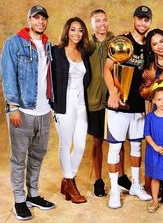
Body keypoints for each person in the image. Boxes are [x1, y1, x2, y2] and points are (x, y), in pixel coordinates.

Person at [1, 5, 55, 221]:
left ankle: (33, 195)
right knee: (19, 158)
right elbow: (8, 75)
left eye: (44, 18)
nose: (40, 22)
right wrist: (13, 106)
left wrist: (52, 106)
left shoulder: (48, 45)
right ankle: (19, 200)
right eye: (37, 18)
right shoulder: (14, 43)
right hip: (22, 110)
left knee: (37, 156)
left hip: (44, 111)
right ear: (29, 19)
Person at [103, 5, 153, 209]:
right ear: (133, 19)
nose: (143, 23)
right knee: (115, 147)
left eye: (146, 20)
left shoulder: (150, 45)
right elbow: (107, 69)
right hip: (118, 105)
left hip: (139, 106)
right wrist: (113, 93)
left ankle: (135, 185)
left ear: (149, 22)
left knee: (136, 146)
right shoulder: (122, 41)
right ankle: (114, 190)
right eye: (140, 19)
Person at [87, 9, 131, 197]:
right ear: (92, 24)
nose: (102, 24)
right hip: (94, 100)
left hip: (115, 99)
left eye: (105, 20)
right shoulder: (86, 45)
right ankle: (98, 179)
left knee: (118, 141)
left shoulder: (118, 42)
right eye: (97, 21)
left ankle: (121, 176)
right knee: (97, 141)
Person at [50, 17, 91, 204]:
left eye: (80, 30)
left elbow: (87, 79)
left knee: (81, 145)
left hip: (81, 104)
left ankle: (67, 180)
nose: (76, 33)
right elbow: (47, 77)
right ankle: (71, 184)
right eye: (73, 29)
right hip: (62, 104)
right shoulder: (56, 52)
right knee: (65, 144)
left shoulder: (84, 52)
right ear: (67, 31)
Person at [140, 28, 163, 202]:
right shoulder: (150, 69)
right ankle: (160, 187)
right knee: (159, 149)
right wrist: (157, 84)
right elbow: (144, 92)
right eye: (154, 44)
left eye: (161, 41)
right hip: (159, 115)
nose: (159, 46)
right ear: (150, 48)